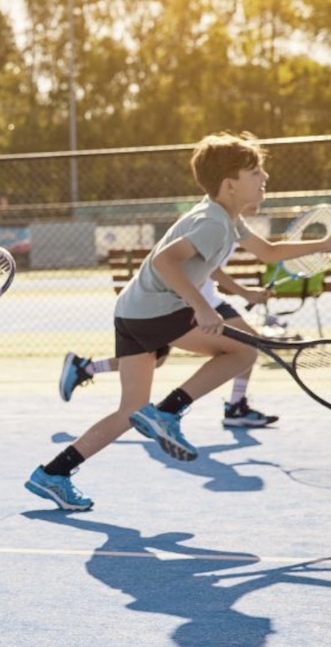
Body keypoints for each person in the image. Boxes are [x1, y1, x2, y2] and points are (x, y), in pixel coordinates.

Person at [25, 132, 331, 512]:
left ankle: (54, 473)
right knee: (244, 352)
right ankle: (168, 412)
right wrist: (201, 307)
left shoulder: (225, 217)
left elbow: (269, 251)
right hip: (157, 310)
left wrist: (321, 245)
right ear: (229, 184)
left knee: (130, 411)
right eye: (255, 171)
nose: (264, 177)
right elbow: (164, 262)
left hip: (132, 311)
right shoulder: (213, 222)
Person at [59, 270, 278, 427]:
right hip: (192, 305)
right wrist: (245, 292)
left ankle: (86, 368)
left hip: (193, 303)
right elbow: (257, 253)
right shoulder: (218, 222)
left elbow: (264, 249)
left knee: (155, 360)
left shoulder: (231, 223)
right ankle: (233, 406)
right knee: (246, 345)